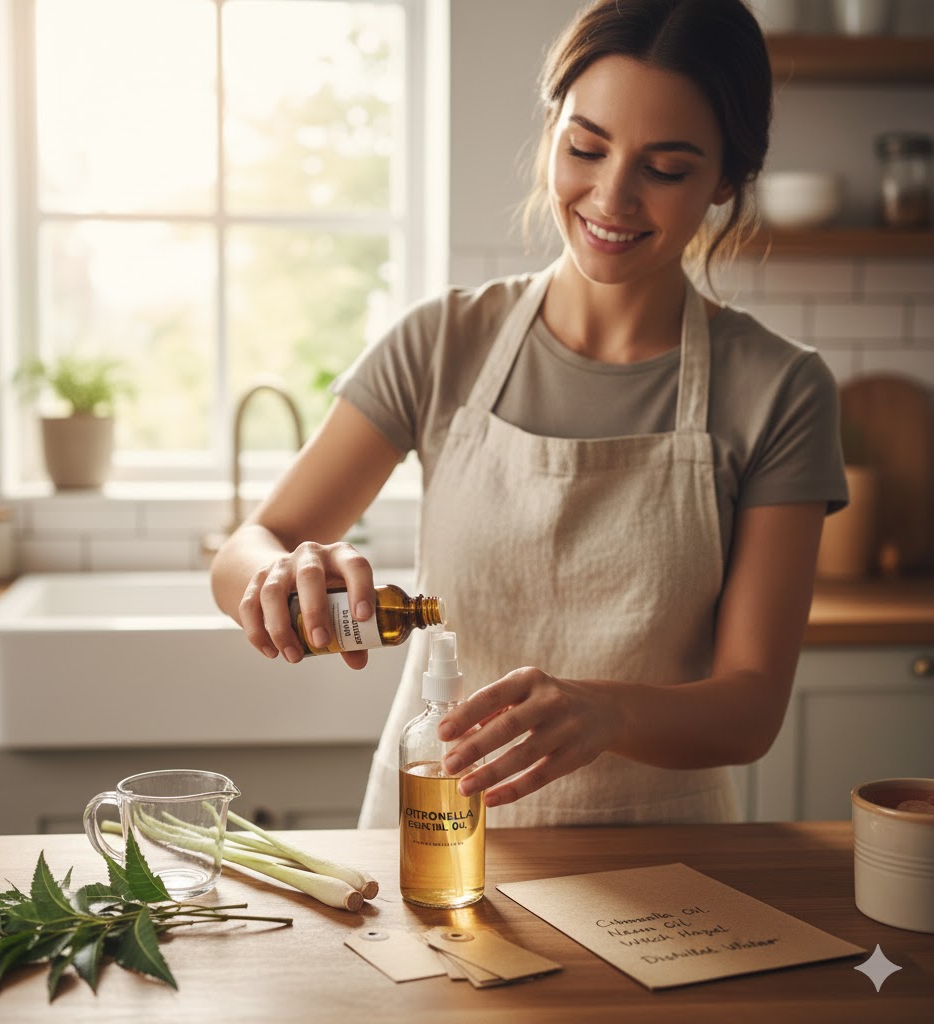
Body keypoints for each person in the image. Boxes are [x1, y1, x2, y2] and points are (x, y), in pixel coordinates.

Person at [210, 0, 848, 828]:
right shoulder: (442, 342)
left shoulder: (781, 389)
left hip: (667, 865)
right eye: (586, 147)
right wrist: (275, 578)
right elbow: (244, 549)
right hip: (437, 840)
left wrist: (608, 711)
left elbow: (751, 706)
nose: (611, 197)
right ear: (552, 131)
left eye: (667, 168)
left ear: (727, 178)